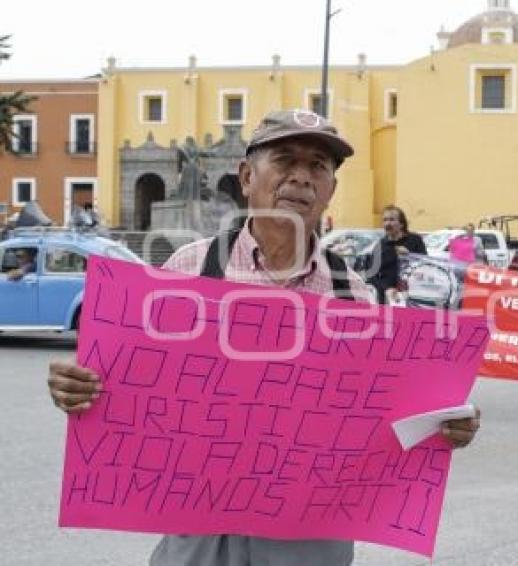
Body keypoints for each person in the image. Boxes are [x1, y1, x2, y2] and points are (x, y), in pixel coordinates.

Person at [46, 108, 480, 566]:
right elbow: (129, 388)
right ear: (247, 176)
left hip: (310, 535)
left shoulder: (352, 293)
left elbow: (386, 417)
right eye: (286, 159)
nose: (302, 177)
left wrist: (443, 424)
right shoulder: (184, 274)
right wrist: (79, 389)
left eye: (318, 166)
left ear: (331, 189)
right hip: (198, 527)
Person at [366, 205, 427, 304]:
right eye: (385, 220)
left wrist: (409, 256)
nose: (387, 223)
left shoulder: (415, 240)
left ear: (402, 224)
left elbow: (426, 266)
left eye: (392, 219)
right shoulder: (380, 246)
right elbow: (371, 275)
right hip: (387, 299)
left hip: (412, 296)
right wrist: (387, 288)